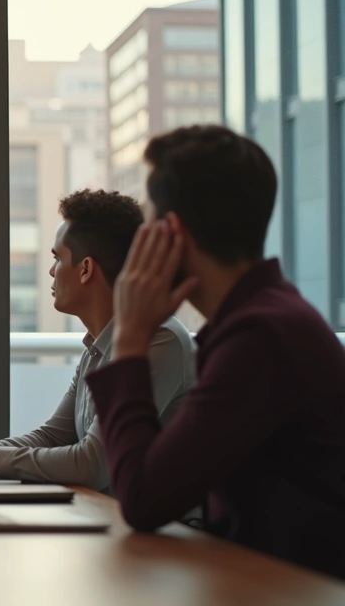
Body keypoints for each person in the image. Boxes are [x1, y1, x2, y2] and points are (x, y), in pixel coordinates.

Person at [84, 125, 345, 579]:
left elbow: (143, 498)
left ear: (173, 232)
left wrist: (129, 337)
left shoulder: (261, 338)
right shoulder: (264, 319)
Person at [0, 190, 195, 491]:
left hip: (166, 535)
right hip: (109, 518)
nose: (51, 271)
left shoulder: (160, 342)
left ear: (85, 270)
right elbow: (53, 437)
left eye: (58, 258)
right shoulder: (97, 347)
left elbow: (93, 464)